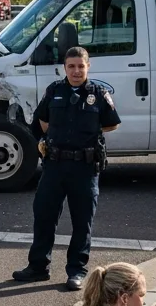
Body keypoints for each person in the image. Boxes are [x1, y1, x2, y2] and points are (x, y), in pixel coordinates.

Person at [12, 47, 120, 291]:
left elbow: (112, 123)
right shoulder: (54, 91)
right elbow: (41, 121)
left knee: (82, 222)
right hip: (55, 165)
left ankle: (76, 271)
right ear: (64, 68)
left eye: (81, 66)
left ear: (88, 67)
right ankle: (38, 267)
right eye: (71, 66)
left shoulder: (98, 94)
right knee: (44, 216)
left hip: (85, 167)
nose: (76, 71)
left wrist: (87, 131)